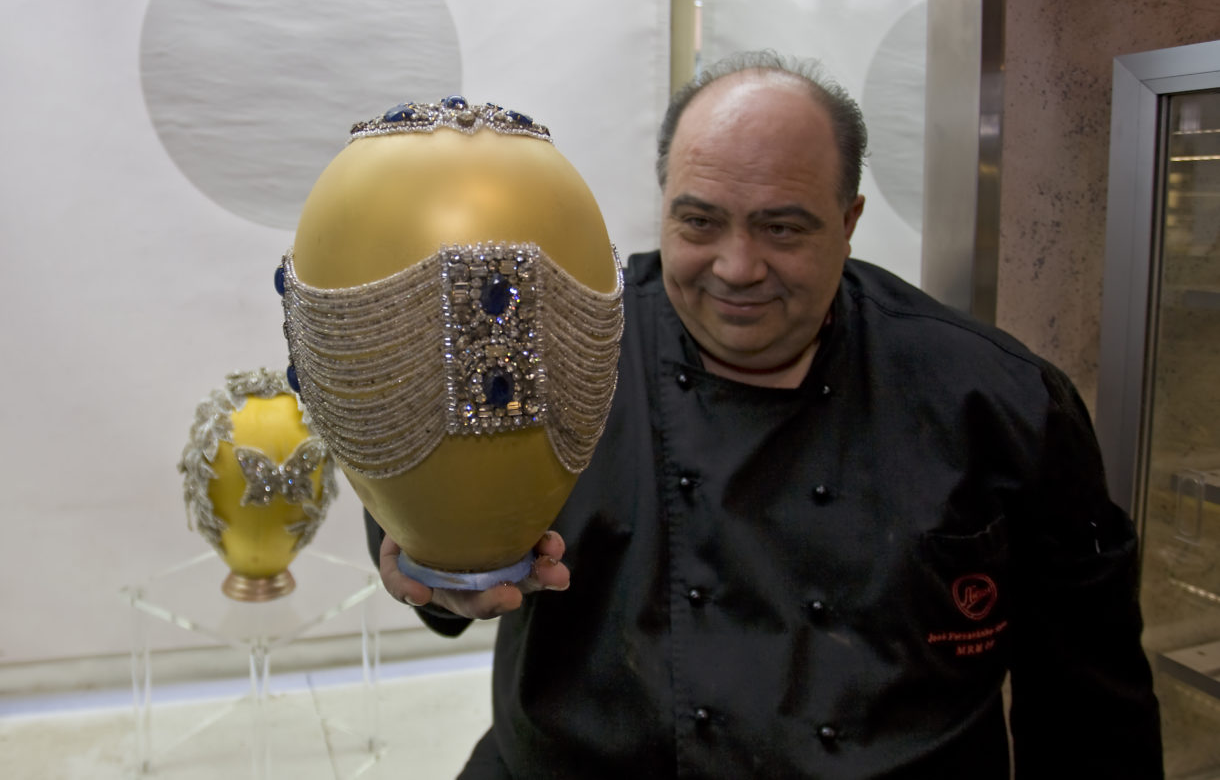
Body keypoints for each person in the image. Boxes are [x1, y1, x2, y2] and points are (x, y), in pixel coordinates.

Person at [369, 51, 1163, 778]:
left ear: (848, 222)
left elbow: (1093, 713)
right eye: (700, 221)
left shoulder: (1000, 402)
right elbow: (428, 510)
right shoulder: (553, 349)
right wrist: (435, 566)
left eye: (782, 228)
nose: (737, 267)